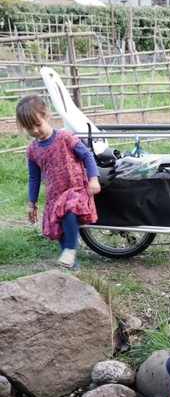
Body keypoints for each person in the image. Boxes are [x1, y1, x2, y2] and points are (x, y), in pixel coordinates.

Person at [16, 95, 101, 270]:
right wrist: (31, 203)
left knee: (69, 210)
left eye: (38, 124)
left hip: (75, 190)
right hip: (55, 196)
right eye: (29, 128)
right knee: (59, 230)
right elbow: (33, 178)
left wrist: (93, 178)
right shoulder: (32, 150)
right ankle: (72, 268)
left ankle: (70, 250)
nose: (36, 130)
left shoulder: (66, 138)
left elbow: (87, 155)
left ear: (47, 115)